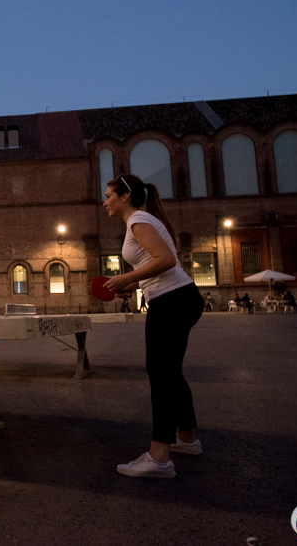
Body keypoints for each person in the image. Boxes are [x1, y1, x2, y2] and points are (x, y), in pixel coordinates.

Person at [101, 174, 204, 479]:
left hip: (172, 301)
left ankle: (159, 457)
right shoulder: (141, 220)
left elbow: (167, 260)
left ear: (125, 196)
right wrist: (131, 286)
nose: (105, 201)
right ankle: (187, 439)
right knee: (170, 371)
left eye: (109, 195)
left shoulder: (138, 220)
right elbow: (156, 267)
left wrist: (126, 278)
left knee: (160, 374)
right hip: (178, 297)